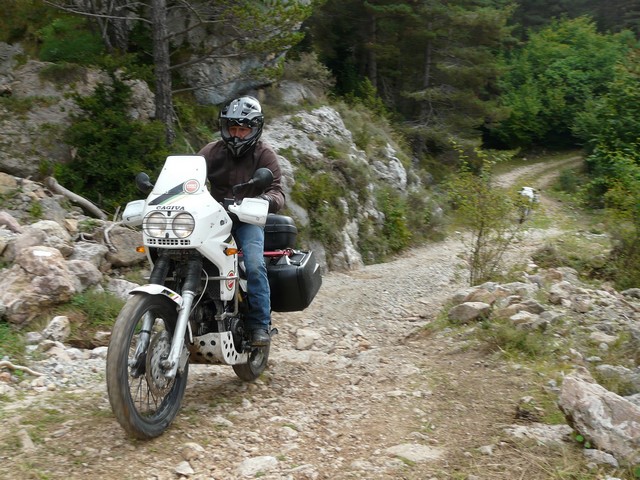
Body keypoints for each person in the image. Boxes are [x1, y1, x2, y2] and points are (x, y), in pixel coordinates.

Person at [198, 96, 284, 346]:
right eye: (232, 128)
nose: (236, 135)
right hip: (213, 218)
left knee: (255, 265)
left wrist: (263, 200)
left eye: (243, 129)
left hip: (247, 219)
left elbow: (278, 192)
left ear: (255, 129)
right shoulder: (211, 152)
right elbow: (188, 177)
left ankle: (259, 325)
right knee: (185, 256)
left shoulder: (264, 154)